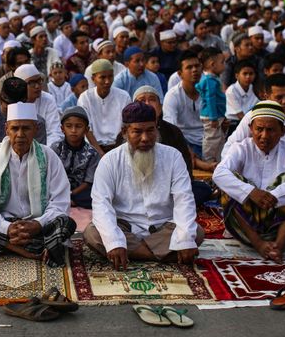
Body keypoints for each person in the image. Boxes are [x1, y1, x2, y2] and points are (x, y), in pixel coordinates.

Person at [0, 102, 76, 267]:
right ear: (6, 129)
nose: (20, 134)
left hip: (38, 226)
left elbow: (60, 201)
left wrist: (38, 224)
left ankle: (1, 244)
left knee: (66, 223)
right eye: (15, 128)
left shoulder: (49, 156)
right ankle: (25, 249)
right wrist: (6, 227)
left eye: (26, 128)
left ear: (36, 129)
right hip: (2, 222)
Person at [85, 102, 203, 270]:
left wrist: (184, 238)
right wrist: (114, 240)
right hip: (125, 227)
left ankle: (132, 253)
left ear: (156, 129)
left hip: (163, 227)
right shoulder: (109, 161)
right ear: (125, 132)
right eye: (138, 132)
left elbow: (184, 199)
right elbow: (101, 204)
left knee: (195, 232)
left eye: (150, 130)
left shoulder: (173, 157)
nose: (145, 138)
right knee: (92, 233)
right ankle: (162, 254)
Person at [213, 101, 285, 262]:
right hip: (246, 225)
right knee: (229, 184)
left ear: (283, 131)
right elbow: (218, 173)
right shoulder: (241, 148)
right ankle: (258, 244)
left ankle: (278, 246)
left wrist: (276, 195)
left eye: (271, 130)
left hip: (280, 223)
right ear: (251, 128)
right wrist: (251, 192)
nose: (264, 136)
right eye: (259, 129)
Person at [223, 73, 285, 173]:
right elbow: (230, 147)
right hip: (256, 173)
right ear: (266, 97)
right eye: (279, 97)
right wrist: (234, 177)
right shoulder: (254, 116)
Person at [133, 85, 212, 206]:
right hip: (136, 190)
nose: (147, 104)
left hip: (169, 189)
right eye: (142, 100)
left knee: (202, 189)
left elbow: (186, 166)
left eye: (152, 99)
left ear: (160, 107)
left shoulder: (173, 131)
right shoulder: (128, 133)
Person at [0, 77, 47, 166]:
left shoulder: (37, 122)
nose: (13, 109)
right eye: (9, 105)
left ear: (26, 102)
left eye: (17, 105)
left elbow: (39, 157)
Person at [77, 58, 132, 155]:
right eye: (102, 77)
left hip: (119, 147)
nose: (107, 81)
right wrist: (100, 153)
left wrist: (115, 152)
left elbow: (128, 126)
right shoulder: (85, 98)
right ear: (93, 79)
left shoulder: (123, 96)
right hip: (93, 149)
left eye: (110, 76)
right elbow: (87, 129)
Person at [51, 106, 100, 209]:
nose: (73, 130)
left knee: (96, 196)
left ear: (86, 130)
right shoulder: (55, 149)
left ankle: (69, 200)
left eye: (78, 126)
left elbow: (88, 182)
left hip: (80, 192)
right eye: (69, 126)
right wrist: (61, 193)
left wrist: (71, 194)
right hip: (57, 190)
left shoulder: (93, 153)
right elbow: (50, 176)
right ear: (62, 128)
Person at [163, 51, 204, 157]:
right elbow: (171, 128)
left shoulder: (209, 90)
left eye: (197, 66)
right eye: (189, 67)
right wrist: (185, 148)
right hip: (185, 140)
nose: (194, 70)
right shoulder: (173, 95)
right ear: (180, 74)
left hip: (209, 139)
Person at [14, 63, 63, 146]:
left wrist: (42, 152)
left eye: (39, 81)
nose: (37, 86)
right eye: (31, 82)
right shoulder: (11, 100)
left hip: (44, 149)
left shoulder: (48, 99)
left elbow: (55, 133)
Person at [196, 47, 227, 162]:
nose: (224, 65)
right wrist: (213, 118)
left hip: (217, 114)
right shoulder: (209, 81)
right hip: (211, 116)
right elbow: (210, 100)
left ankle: (219, 160)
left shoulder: (212, 79)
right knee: (212, 139)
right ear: (212, 64)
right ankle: (208, 160)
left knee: (219, 139)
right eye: (222, 62)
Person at [225, 59, 259, 135]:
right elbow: (240, 115)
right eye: (245, 73)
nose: (248, 77)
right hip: (233, 124)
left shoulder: (253, 88)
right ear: (237, 76)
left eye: (251, 74)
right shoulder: (232, 90)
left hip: (249, 121)